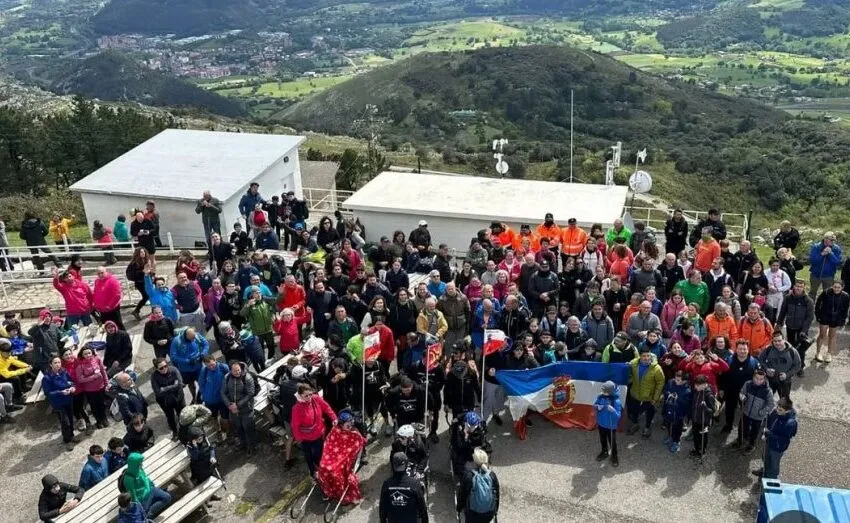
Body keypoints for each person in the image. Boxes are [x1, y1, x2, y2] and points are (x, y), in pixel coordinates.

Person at [291, 383, 337, 477]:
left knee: (319, 454)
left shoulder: (316, 398)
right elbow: (295, 425)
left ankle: (322, 470)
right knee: (309, 456)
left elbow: (326, 407)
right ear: (300, 395)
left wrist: (333, 417)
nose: (309, 397)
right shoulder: (296, 409)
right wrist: (299, 439)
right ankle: (313, 472)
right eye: (306, 396)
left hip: (319, 434)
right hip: (306, 438)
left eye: (310, 394)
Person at [721, 339, 759, 435]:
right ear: (736, 349)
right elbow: (722, 376)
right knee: (729, 409)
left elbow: (759, 378)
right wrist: (721, 388)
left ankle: (744, 430)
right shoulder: (728, 360)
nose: (742, 351)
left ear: (748, 349)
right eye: (740, 349)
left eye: (744, 349)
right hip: (731, 391)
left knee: (746, 411)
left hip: (747, 392)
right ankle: (728, 425)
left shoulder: (754, 362)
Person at [42, 356, 80, 450]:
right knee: (65, 422)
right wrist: (61, 392)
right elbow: (48, 393)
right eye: (55, 363)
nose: (58, 364)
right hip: (58, 402)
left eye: (59, 362)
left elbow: (71, 381)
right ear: (50, 364)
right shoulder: (47, 378)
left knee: (71, 419)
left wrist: (73, 387)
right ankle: (67, 440)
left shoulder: (64, 372)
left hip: (68, 399)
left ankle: (71, 435)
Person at [754, 397, 798, 479]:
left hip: (777, 447)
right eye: (777, 407)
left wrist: (768, 433)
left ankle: (771, 479)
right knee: (765, 458)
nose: (777, 411)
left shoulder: (790, 423)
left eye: (780, 410)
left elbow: (782, 439)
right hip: (769, 441)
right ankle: (765, 471)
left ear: (787, 410)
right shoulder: (775, 412)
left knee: (774, 464)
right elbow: (768, 422)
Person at [379, 452, 429, 523]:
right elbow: (423, 509)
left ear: (393, 465)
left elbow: (382, 509)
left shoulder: (387, 484)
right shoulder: (415, 484)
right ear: (406, 465)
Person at [626, 349, 665, 438]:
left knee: (649, 412)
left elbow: (660, 383)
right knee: (634, 410)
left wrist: (655, 398)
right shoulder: (634, 364)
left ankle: (647, 427)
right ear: (640, 356)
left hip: (649, 396)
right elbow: (626, 368)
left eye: (648, 356)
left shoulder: (657, 368)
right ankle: (635, 423)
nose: (646, 358)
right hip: (635, 393)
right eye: (644, 356)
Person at [221, 360, 257, 455]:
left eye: (238, 370)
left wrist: (237, 405)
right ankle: (243, 443)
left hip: (246, 408)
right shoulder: (227, 377)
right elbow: (223, 392)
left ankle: (251, 447)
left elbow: (250, 393)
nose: (237, 372)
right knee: (238, 428)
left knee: (248, 428)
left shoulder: (247, 378)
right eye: (234, 371)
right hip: (233, 410)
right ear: (230, 370)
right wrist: (229, 405)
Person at [123, 452, 172, 519]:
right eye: (140, 463)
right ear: (134, 465)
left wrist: (152, 485)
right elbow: (133, 497)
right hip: (142, 499)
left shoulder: (139, 469)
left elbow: (146, 478)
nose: (142, 465)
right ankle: (147, 516)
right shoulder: (128, 479)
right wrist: (139, 508)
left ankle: (150, 512)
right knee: (143, 513)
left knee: (167, 497)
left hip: (150, 490)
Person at [457, 447, 500, 523]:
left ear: (474, 462)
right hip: (489, 513)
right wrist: (495, 511)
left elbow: (462, 495)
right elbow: (496, 495)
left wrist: (459, 508)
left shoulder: (469, 476)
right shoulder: (492, 475)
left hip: (473, 514)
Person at [73, 344, 110, 429]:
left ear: (92, 353)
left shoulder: (97, 359)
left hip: (100, 387)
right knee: (94, 406)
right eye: (85, 354)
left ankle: (104, 418)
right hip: (90, 390)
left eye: (89, 353)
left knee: (102, 404)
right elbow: (80, 379)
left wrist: (106, 383)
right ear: (82, 355)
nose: (88, 355)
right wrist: (93, 377)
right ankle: (98, 421)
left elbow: (103, 371)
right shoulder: (80, 365)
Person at [813, 280, 849, 363]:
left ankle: (829, 354)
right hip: (824, 316)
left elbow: (845, 309)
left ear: (842, 288)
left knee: (832, 336)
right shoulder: (826, 292)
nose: (836, 289)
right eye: (835, 287)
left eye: (838, 287)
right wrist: (818, 315)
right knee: (822, 335)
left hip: (836, 318)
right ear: (832, 286)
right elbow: (818, 303)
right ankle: (818, 352)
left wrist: (842, 320)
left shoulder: (845, 296)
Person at [150, 357, 186, 439]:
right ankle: (175, 431)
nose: (164, 369)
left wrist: (165, 388)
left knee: (182, 413)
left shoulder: (174, 370)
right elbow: (158, 391)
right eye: (161, 368)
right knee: (170, 417)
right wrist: (174, 385)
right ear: (157, 369)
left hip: (178, 397)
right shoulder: (154, 376)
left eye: (165, 366)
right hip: (165, 401)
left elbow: (180, 384)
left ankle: (184, 428)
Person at [758, 332, 801, 399]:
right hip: (770, 380)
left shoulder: (792, 352)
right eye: (775, 341)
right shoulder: (768, 349)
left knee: (784, 401)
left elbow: (797, 366)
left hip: (785, 382)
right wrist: (766, 369)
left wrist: (787, 375)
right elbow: (760, 360)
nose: (777, 343)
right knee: (767, 398)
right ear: (772, 340)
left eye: (779, 340)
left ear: (784, 339)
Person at [662, 370, 691, 454]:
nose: (676, 381)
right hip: (668, 409)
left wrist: (677, 398)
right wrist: (668, 394)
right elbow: (665, 390)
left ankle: (676, 441)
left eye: (678, 380)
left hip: (678, 414)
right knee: (668, 424)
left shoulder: (687, 391)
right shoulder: (671, 382)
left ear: (684, 381)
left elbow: (686, 404)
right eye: (675, 378)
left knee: (677, 428)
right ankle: (670, 436)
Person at [593, 380, 622, 466]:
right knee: (602, 439)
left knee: (612, 442)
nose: (602, 392)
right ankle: (604, 451)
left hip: (610, 426)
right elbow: (595, 405)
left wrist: (613, 411)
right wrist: (597, 407)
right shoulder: (600, 397)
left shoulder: (616, 401)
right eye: (602, 391)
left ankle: (614, 456)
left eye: (605, 391)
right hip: (601, 423)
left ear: (610, 392)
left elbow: (618, 416)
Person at [690, 374, 716, 461]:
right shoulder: (696, 391)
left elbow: (713, 411)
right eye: (695, 385)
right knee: (695, 435)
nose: (695, 386)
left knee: (703, 437)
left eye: (698, 385)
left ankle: (702, 451)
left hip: (703, 421)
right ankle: (696, 449)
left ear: (705, 384)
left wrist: (705, 408)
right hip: (695, 419)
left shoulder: (709, 396)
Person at [809, 232, 842, 299]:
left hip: (829, 276)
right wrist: (822, 254)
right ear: (824, 239)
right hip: (815, 275)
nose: (831, 242)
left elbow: (837, 262)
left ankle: (825, 308)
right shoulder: (816, 247)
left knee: (827, 294)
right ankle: (811, 308)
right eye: (828, 239)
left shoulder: (836, 249)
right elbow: (813, 261)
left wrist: (830, 254)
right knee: (812, 293)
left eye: (832, 240)